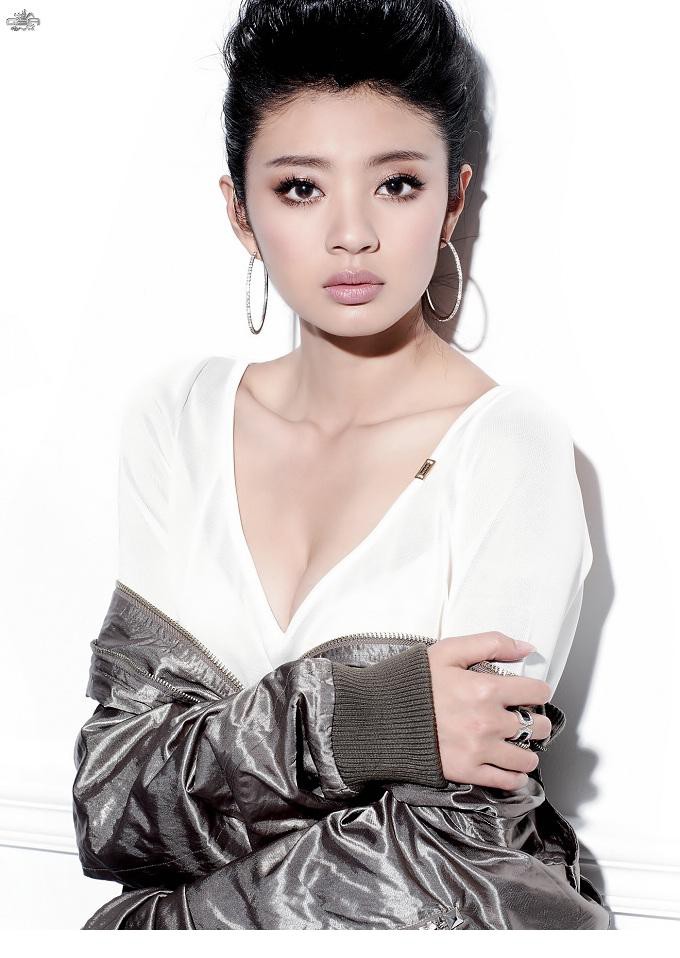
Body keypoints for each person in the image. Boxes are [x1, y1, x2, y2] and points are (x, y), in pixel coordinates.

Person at [72, 0, 610, 929]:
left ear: (453, 200)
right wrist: (368, 720)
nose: (352, 233)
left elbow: (450, 862)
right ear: (240, 212)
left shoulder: (509, 446)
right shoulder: (177, 418)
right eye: (300, 189)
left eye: (397, 183)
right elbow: (115, 805)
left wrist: (146, 925)